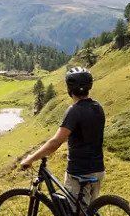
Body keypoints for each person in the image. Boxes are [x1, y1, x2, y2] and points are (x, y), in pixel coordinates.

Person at [19, 67, 105, 205]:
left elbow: (56, 142)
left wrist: (30, 159)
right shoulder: (98, 107)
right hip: (98, 170)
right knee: (88, 214)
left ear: (69, 89)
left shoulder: (74, 111)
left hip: (79, 173)